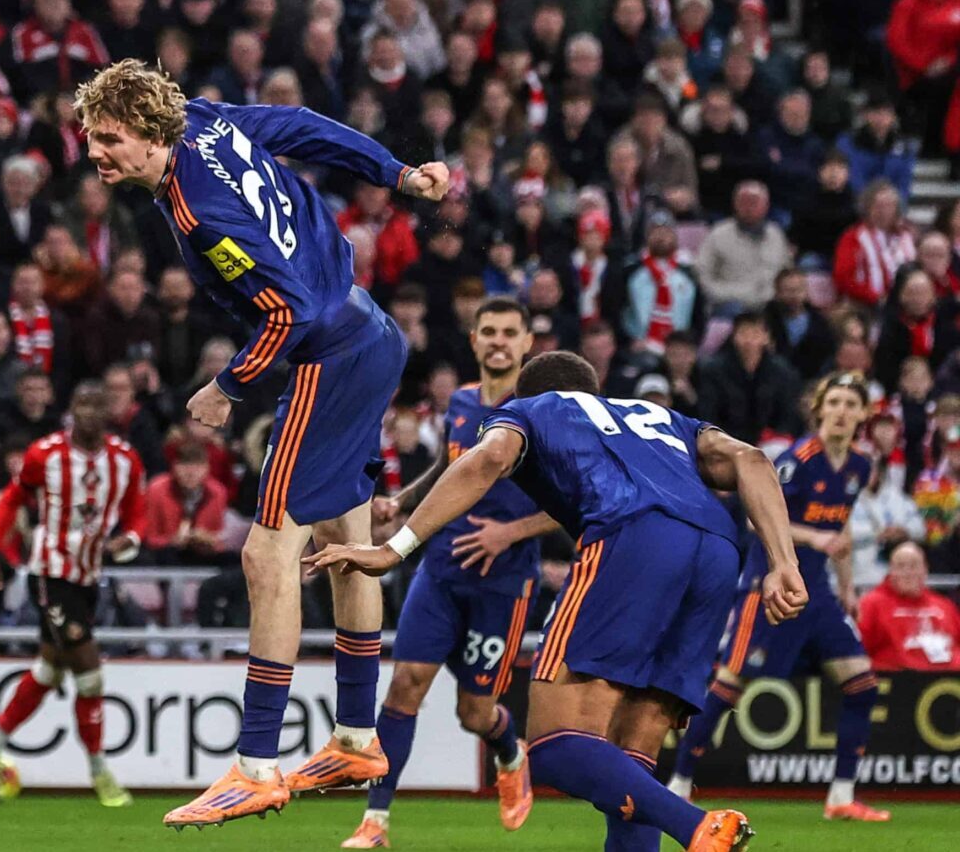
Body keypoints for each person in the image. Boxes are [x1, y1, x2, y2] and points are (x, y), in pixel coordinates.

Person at [72, 59, 452, 827]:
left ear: (150, 134)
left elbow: (289, 314)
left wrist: (228, 385)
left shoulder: (200, 213)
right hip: (372, 332)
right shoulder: (207, 120)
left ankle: (255, 765)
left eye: (108, 138)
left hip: (329, 355)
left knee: (265, 554)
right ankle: (356, 736)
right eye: (91, 137)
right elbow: (304, 126)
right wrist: (398, 173)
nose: (95, 152)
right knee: (344, 540)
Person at [310, 351, 804, 852]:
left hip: (630, 538)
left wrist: (393, 549)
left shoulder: (530, 410)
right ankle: (692, 829)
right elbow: (752, 459)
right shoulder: (659, 416)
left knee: (553, 747)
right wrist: (784, 562)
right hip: (718, 552)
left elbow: (490, 457)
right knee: (631, 761)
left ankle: (698, 826)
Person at [338, 298, 539, 848]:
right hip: (442, 567)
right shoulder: (464, 401)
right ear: (474, 340)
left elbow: (577, 503)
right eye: (489, 332)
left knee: (474, 714)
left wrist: (509, 532)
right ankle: (375, 822)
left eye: (510, 333)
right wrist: (402, 500)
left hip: (502, 581)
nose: (499, 342)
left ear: (528, 343)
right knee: (404, 685)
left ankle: (509, 750)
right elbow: (453, 466)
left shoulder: (542, 413)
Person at [667, 373, 892, 822]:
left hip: (818, 593)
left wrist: (847, 586)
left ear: (864, 415)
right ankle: (679, 783)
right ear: (820, 409)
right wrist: (814, 538)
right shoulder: (797, 461)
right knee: (729, 686)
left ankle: (841, 797)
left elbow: (841, 528)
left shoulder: (859, 466)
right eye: (835, 402)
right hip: (767, 587)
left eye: (851, 404)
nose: (842, 411)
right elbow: (758, 520)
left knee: (862, 685)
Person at [0, 380, 142, 808]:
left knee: (50, 670)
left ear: (108, 412)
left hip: (88, 577)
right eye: (81, 404)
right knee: (89, 669)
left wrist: (129, 539)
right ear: (70, 410)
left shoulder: (125, 460)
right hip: (49, 572)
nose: (88, 413)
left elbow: (136, 513)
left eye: (96, 405)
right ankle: (99, 771)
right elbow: (11, 500)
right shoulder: (44, 454)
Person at [858, 541, 959, 670]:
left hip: (950, 676)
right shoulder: (871, 604)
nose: (907, 573)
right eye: (900, 566)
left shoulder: (944, 605)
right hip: (898, 677)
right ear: (890, 570)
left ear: (925, 569)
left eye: (914, 566)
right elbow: (858, 653)